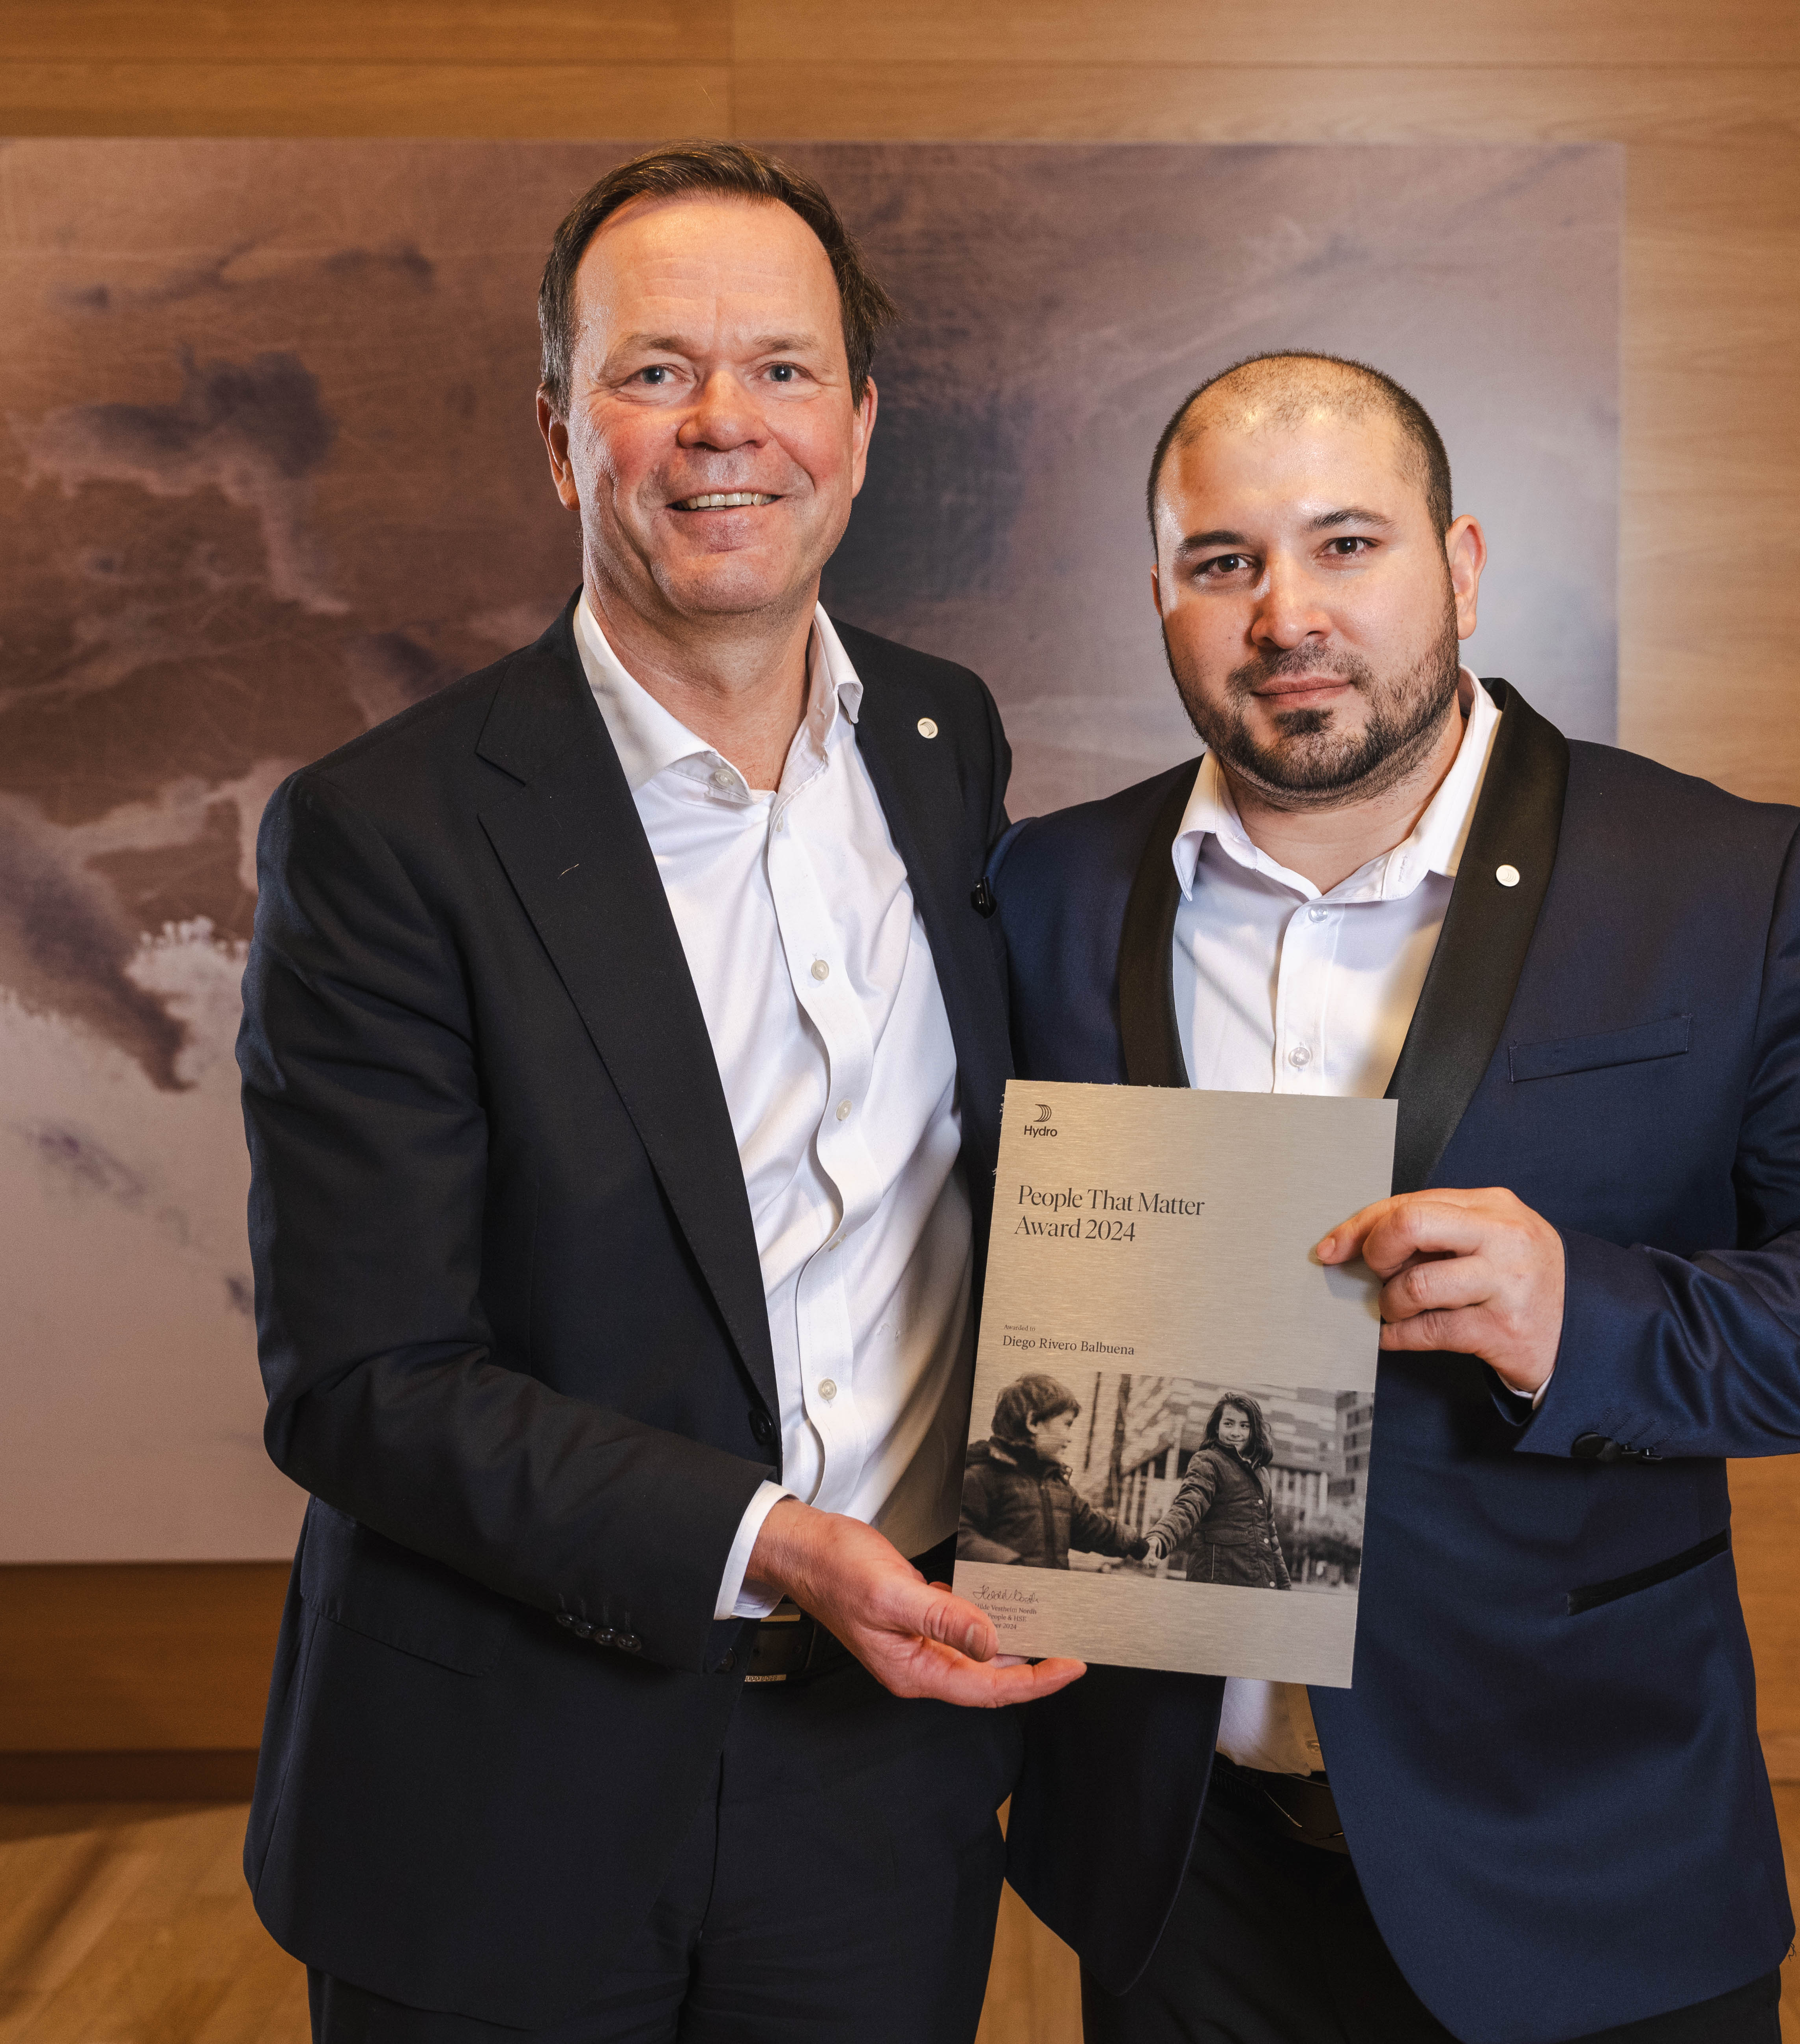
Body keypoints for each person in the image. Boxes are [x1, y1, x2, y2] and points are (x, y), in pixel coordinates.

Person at [992, 353, 1800, 2044]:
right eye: (1223, 560)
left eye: (1346, 544)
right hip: (1184, 1883)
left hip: (1583, 1862)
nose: (1285, 613)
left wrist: (1591, 1318)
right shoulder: (1040, 888)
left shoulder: (1721, 879)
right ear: (1161, 598)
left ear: (1462, 564)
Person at [235, 142, 1080, 2044]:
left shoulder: (944, 745)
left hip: (884, 1777)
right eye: (652, 372)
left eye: (782, 370)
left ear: (858, 429)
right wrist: (770, 1543)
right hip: (501, 1783)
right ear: (560, 438)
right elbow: (364, 1384)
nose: (727, 428)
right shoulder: (384, 836)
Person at [957, 1371, 1150, 1569]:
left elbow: (1091, 1525)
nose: (1070, 1438)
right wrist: (1008, 1564)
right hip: (1006, 1591)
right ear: (1033, 1423)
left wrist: (1135, 1542)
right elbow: (959, 1536)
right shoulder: (982, 1476)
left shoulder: (1057, 1485)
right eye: (1067, 1425)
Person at [1141, 1393, 1292, 1589]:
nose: (1236, 1432)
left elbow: (1271, 1538)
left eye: (1244, 1426)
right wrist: (1160, 1538)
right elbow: (1188, 1505)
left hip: (1257, 1585)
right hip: (1216, 1583)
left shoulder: (1262, 1474)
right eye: (1229, 1424)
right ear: (1217, 1427)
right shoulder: (1208, 1461)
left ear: (1254, 1430)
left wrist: (1285, 1587)